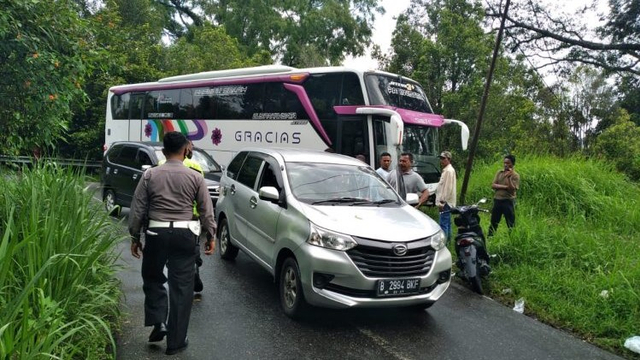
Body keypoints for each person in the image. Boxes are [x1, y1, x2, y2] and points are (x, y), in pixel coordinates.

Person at [128, 131, 216, 355]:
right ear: (185, 150)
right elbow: (206, 210)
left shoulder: (150, 175)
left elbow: (137, 209)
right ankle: (176, 343)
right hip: (185, 235)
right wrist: (212, 236)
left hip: (156, 232)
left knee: (153, 277)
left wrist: (135, 237)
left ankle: (159, 321)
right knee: (182, 287)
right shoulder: (195, 177)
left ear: (164, 152)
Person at [159, 140, 206, 293]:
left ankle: (173, 276)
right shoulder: (196, 167)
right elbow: (202, 198)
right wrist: (210, 230)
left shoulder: (159, 165)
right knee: (191, 248)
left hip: (163, 218)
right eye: (190, 146)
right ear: (185, 149)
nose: (191, 148)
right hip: (190, 217)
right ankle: (193, 271)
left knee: (166, 252)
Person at [488, 154, 520, 236]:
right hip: (497, 200)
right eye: (504, 162)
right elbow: (493, 185)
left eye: (508, 163)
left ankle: (512, 238)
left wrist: (509, 178)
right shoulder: (499, 172)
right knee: (494, 221)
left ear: (512, 164)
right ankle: (490, 238)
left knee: (510, 223)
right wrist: (505, 187)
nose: (505, 164)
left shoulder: (515, 175)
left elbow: (512, 190)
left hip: (508, 201)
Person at [436, 151, 456, 243]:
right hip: (447, 202)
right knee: (447, 223)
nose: (442, 160)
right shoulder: (447, 170)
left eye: (444, 158)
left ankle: (444, 244)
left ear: (449, 159)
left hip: (445, 202)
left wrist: (442, 202)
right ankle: (449, 241)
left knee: (443, 224)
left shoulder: (448, 171)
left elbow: (448, 188)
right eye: (441, 158)